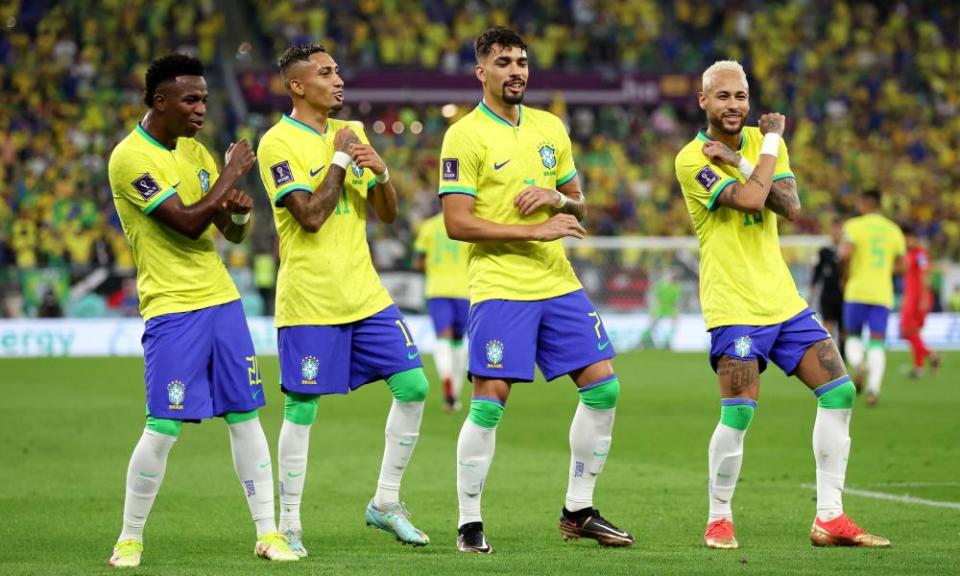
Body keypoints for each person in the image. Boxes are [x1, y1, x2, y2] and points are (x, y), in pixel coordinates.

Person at [674, 60, 888, 550]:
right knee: (740, 412)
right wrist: (763, 151)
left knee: (839, 392)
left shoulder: (762, 143)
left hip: (783, 301)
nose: (735, 105)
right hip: (734, 305)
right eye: (723, 96)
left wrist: (753, 156)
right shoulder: (691, 158)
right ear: (703, 100)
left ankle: (830, 518)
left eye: (741, 96)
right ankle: (719, 518)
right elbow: (751, 201)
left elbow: (789, 205)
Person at [440, 27, 634, 554]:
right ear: (482, 72)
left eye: (522, 61)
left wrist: (559, 199)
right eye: (503, 62)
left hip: (556, 281)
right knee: (490, 402)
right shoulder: (464, 136)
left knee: (604, 387)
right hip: (501, 284)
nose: (517, 71)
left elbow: (580, 206)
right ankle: (469, 522)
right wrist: (535, 229)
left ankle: (578, 510)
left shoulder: (550, 128)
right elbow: (457, 223)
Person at [106, 54, 298, 567]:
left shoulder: (195, 152)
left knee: (245, 415)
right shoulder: (130, 158)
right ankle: (130, 536)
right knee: (163, 426)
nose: (200, 109)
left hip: (222, 301)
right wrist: (232, 172)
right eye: (190, 99)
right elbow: (187, 222)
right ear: (159, 101)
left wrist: (237, 213)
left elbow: (222, 231)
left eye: (205, 100)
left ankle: (268, 532)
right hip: (171, 308)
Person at [256, 44, 431, 556]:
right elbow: (309, 215)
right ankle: (288, 524)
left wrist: (379, 172)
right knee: (302, 407)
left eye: (337, 72)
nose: (338, 80)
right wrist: (340, 156)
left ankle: (386, 502)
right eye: (326, 73)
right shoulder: (277, 143)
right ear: (297, 85)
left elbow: (388, 214)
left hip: (366, 293)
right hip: (310, 299)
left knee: (414, 385)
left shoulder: (350, 135)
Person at [839, 189, 906, 406]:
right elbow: (903, 265)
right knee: (877, 342)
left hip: (857, 290)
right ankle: (873, 390)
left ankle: (858, 364)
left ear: (865, 203)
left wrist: (845, 276)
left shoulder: (854, 226)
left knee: (852, 336)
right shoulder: (893, 230)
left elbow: (845, 254)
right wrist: (884, 269)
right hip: (881, 294)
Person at [413, 210, 470, 411]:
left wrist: (434, 265)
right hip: (464, 290)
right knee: (457, 340)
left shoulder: (428, 226)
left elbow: (418, 262)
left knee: (443, 339)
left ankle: (447, 384)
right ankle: (455, 391)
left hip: (437, 290)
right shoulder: (466, 221)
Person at [899, 224, 941, 378]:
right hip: (910, 297)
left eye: (907, 238)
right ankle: (920, 367)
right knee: (912, 333)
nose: (905, 242)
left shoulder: (920, 254)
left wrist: (923, 298)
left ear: (912, 238)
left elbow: (925, 275)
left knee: (906, 332)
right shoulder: (908, 254)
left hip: (917, 298)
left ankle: (930, 357)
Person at [809, 219, 844, 347]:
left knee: (843, 330)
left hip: (843, 295)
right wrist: (811, 296)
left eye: (839, 229)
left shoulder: (847, 251)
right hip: (828, 295)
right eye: (834, 229)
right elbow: (817, 274)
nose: (836, 232)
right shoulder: (824, 251)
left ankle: (843, 358)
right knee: (828, 328)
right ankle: (828, 358)